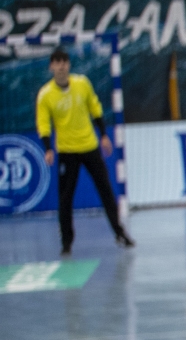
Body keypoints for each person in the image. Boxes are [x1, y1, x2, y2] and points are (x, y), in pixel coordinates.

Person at [38, 46, 130, 255]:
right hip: (67, 151)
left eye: (64, 62)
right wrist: (48, 148)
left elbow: (95, 107)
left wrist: (103, 135)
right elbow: (43, 123)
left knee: (106, 190)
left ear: (68, 65)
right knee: (65, 198)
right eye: (57, 63)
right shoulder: (46, 95)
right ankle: (67, 242)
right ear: (52, 67)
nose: (61, 67)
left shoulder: (82, 84)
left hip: (89, 146)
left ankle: (119, 232)